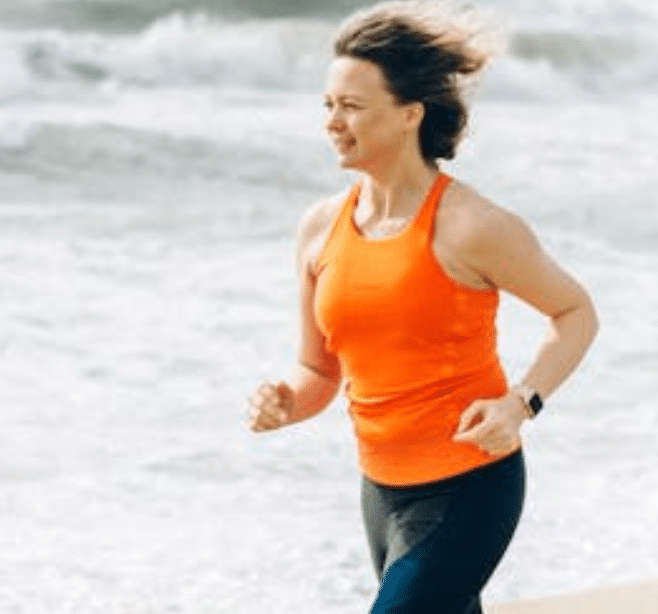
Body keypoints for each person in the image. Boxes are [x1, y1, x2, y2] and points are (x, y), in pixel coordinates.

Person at [246, 2, 598, 612]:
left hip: (470, 486)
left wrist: (520, 403)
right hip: (380, 490)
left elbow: (574, 312)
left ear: (410, 114)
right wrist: (284, 401)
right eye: (328, 105)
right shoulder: (320, 229)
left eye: (351, 106)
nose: (332, 121)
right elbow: (320, 374)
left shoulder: (472, 226)